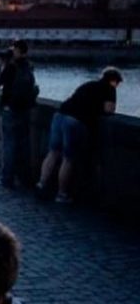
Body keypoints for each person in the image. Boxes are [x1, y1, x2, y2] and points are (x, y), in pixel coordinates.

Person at [36, 67, 122, 204]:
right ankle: (61, 194)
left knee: (53, 153)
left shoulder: (88, 84)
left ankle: (41, 184)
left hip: (59, 115)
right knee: (68, 159)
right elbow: (109, 110)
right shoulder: (109, 88)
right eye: (118, 83)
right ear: (114, 81)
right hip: (74, 121)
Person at [0, 40, 37, 189]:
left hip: (10, 109)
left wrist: (0, 67)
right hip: (25, 110)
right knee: (24, 145)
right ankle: (25, 178)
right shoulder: (29, 66)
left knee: (9, 144)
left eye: (14, 49)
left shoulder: (11, 67)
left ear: (18, 50)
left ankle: (7, 178)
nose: (12, 52)